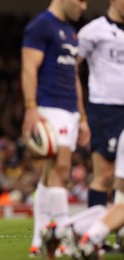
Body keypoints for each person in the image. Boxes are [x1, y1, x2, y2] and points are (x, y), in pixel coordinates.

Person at [20, 0, 90, 256]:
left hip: (70, 110)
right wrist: (30, 107)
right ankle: (63, 235)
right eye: (81, 0)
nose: (84, 6)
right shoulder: (41, 26)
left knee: (52, 174)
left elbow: (74, 76)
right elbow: (29, 68)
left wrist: (81, 116)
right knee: (61, 168)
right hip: (50, 106)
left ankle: (39, 240)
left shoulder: (71, 31)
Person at [77, 0, 124, 208]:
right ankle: (93, 236)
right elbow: (69, 66)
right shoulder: (93, 31)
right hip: (106, 109)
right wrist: (80, 113)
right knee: (105, 176)